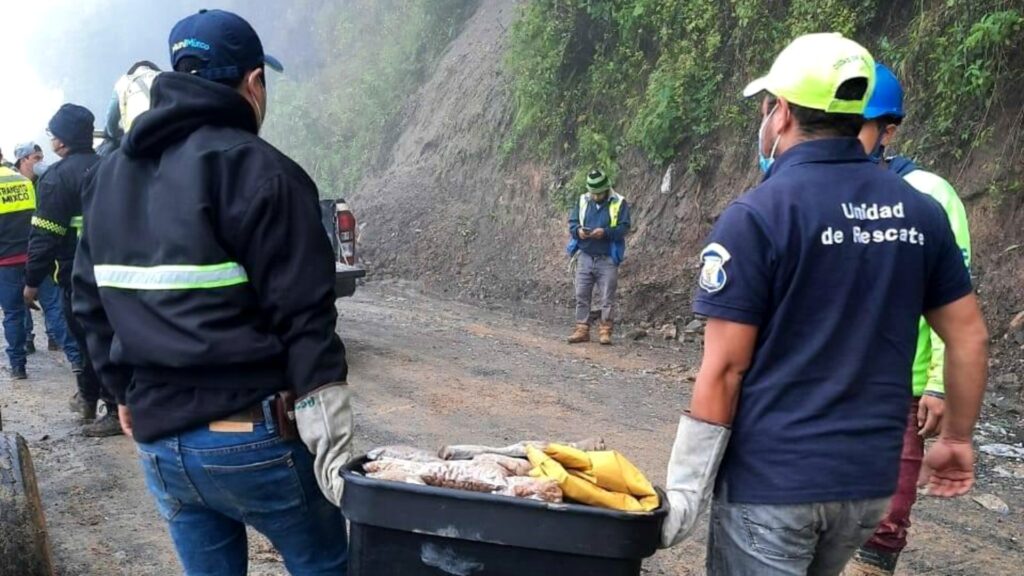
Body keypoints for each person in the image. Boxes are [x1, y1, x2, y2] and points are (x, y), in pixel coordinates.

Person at [658, 33, 989, 576]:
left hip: (774, 482)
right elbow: (969, 335)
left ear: (781, 113)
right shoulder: (919, 212)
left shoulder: (759, 216)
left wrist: (685, 495)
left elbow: (724, 369)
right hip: (865, 487)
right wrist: (956, 439)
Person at [73, 9, 351, 574]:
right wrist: (331, 426)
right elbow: (305, 316)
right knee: (326, 564)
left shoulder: (106, 178)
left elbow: (88, 299)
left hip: (158, 439)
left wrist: (122, 392)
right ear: (253, 83)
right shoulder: (262, 170)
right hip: (252, 440)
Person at [843, 64, 973, 576]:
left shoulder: (930, 195)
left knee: (884, 519)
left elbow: (955, 305)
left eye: (856, 126)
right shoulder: (821, 188)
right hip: (831, 379)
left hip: (900, 386)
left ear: (888, 131)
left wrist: (941, 386)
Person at [24, 105, 120, 437]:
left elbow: (45, 236)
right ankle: (90, 400)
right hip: (117, 271)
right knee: (105, 337)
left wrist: (31, 281)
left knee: (89, 340)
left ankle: (109, 405)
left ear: (61, 142)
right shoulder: (111, 166)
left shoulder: (55, 178)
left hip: (78, 276)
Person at [14, 142, 81, 364]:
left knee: (52, 304)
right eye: (36, 158)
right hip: (19, 253)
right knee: (22, 303)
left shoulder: (48, 181)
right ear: (23, 160)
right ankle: (28, 339)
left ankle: (61, 344)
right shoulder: (16, 184)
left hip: (42, 254)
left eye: (42, 156)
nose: (41, 162)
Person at [566, 169, 631, 345]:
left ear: (606, 188)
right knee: (581, 294)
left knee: (607, 296)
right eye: (593, 193)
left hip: (607, 257)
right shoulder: (582, 200)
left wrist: (606, 232)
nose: (595, 196)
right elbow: (572, 223)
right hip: (585, 255)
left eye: (599, 193)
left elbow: (624, 227)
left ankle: (605, 330)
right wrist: (578, 231)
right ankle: (582, 329)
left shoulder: (619, 202)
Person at [0, 160, 35, 379]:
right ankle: (77, 362)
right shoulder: (24, 182)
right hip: (32, 256)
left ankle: (18, 366)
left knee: (13, 313)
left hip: (5, 261)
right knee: (52, 308)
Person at [98, 60, 160, 155]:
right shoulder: (164, 77)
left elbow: (111, 119)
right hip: (163, 136)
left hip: (136, 140)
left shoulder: (123, 82)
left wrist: (114, 135)